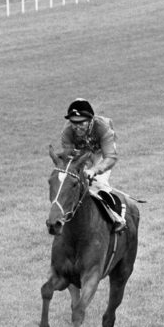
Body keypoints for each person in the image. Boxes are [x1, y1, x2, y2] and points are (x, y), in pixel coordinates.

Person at [59, 98, 127, 232]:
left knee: (98, 182)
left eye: (81, 123)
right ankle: (64, 215)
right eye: (73, 122)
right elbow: (70, 157)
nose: (77, 126)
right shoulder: (67, 132)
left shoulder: (102, 127)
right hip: (83, 153)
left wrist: (94, 170)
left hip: (102, 152)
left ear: (90, 120)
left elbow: (111, 157)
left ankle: (117, 217)